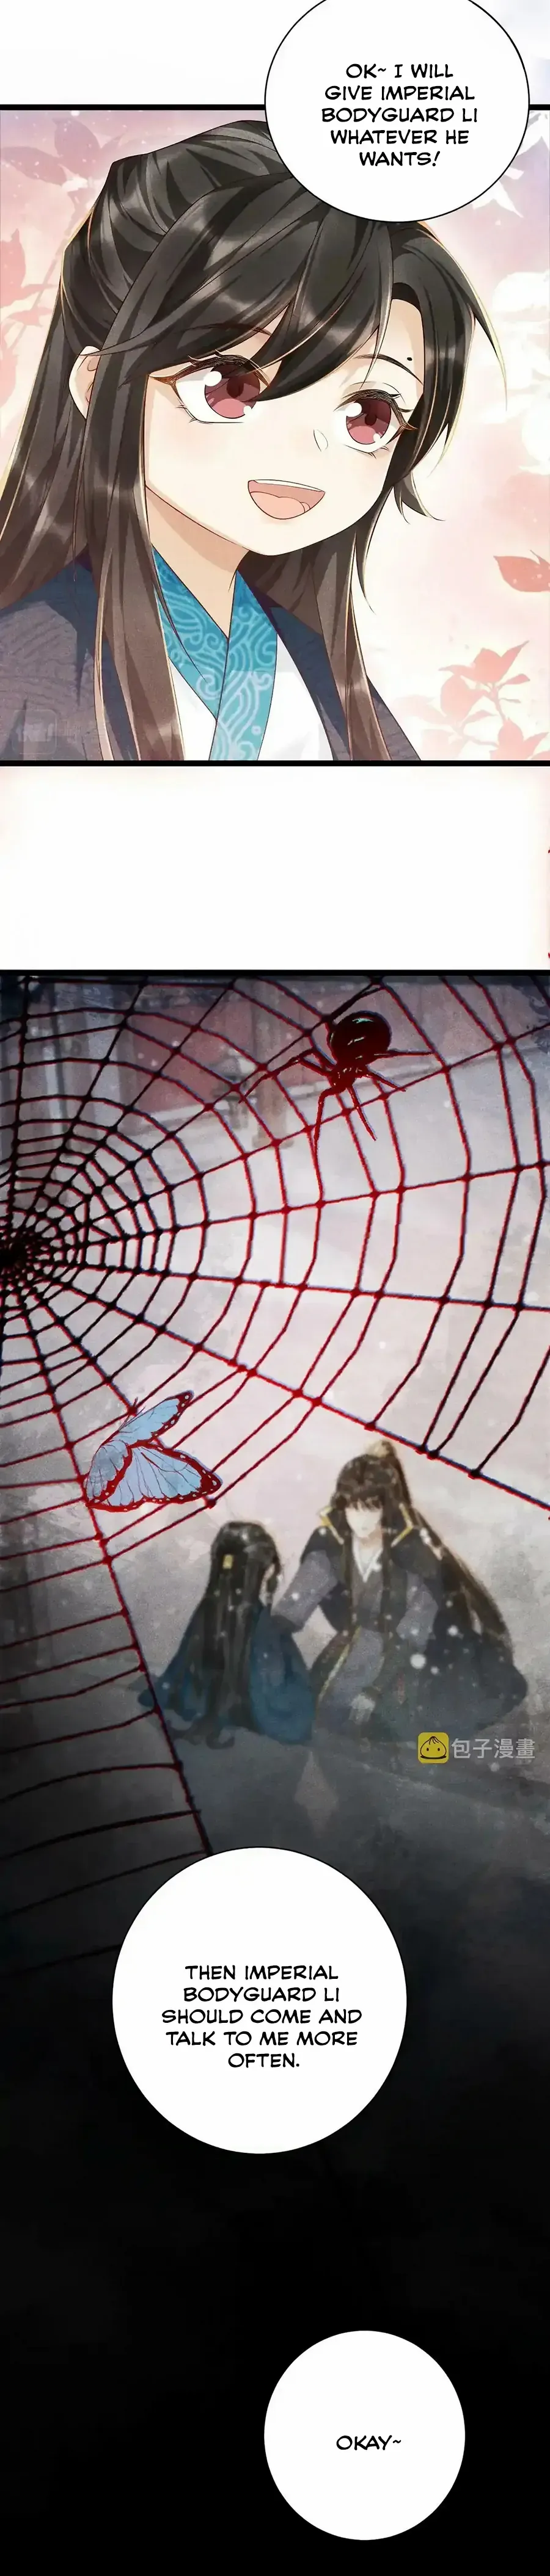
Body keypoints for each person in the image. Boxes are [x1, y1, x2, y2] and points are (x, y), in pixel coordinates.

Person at [0, 120, 501, 763]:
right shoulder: (29, 661)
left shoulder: (315, 666)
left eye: (368, 413)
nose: (305, 447)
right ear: (98, 386)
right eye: (231, 388)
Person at [275, 1443, 527, 1747]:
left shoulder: (416, 1555)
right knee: (327, 1713)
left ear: (387, 1506)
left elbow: (414, 1632)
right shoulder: (332, 1544)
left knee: (396, 1725)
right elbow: (295, 1606)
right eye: (353, 1507)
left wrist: (375, 1689)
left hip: (410, 1656)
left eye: (371, 1507)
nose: (361, 1518)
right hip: (359, 1646)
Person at [154, 1520, 314, 1749]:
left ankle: (215, 1711)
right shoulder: (256, 1621)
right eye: (265, 1571)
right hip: (257, 1701)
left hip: (214, 1693)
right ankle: (224, 1711)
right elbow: (272, 1680)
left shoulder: (209, 1609)